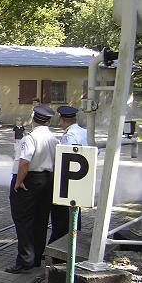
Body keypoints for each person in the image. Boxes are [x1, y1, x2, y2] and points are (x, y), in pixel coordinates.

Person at [6, 105, 58, 274]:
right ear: (48, 121)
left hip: (29, 180)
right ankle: (36, 258)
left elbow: (24, 162)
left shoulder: (30, 138)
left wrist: (18, 182)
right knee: (41, 219)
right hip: (47, 180)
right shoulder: (54, 138)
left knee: (23, 219)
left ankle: (24, 260)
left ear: (33, 119)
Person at [48, 105, 87, 245]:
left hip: (67, 182)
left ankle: (60, 246)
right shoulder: (84, 132)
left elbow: (65, 159)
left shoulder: (69, 136)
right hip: (80, 181)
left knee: (61, 220)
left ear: (63, 120)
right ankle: (74, 243)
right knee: (75, 215)